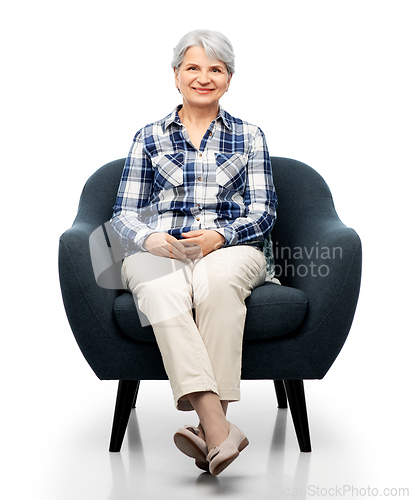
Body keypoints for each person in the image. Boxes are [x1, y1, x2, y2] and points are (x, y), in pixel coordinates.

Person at [111, 29, 277, 475]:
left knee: (215, 283)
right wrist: (149, 239)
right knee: (161, 291)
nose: (204, 78)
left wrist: (220, 236)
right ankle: (220, 429)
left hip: (233, 246)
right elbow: (123, 214)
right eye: (193, 68)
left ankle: (211, 432)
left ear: (228, 79)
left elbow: (265, 211)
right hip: (160, 247)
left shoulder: (250, 136)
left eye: (215, 69)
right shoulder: (148, 136)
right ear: (176, 75)